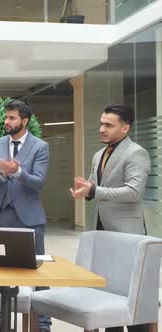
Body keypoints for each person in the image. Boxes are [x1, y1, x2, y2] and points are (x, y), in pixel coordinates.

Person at [71, 104, 151, 332]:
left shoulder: (137, 153)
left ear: (125, 128)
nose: (102, 129)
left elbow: (134, 192)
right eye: (101, 123)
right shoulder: (99, 154)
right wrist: (86, 191)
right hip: (103, 233)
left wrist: (95, 191)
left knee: (132, 299)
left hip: (128, 235)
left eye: (108, 125)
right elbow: (94, 186)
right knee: (107, 295)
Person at [0, 99, 51, 332]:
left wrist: (18, 171)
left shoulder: (40, 147)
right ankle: (2, 322)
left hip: (29, 218)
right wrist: (2, 172)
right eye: (6, 117)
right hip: (0, 215)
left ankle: (42, 325)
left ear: (24, 121)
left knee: (39, 273)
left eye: (12, 118)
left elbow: (38, 183)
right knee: (0, 272)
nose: (7, 121)